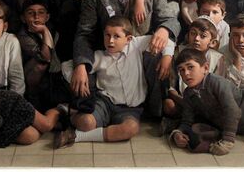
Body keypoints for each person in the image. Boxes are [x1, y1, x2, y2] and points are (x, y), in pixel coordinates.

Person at [71, 0, 181, 105]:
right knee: (83, 75)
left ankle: (157, 110)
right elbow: (84, 32)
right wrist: (81, 64)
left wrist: (164, 29)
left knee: (157, 52)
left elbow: (170, 18)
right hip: (112, 53)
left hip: (140, 50)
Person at [54, 16, 175, 148]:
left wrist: (167, 57)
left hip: (130, 109)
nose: (110, 41)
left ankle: (76, 136)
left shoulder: (136, 45)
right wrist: (80, 69)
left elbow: (167, 41)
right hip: (104, 103)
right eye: (107, 35)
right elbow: (66, 66)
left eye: (116, 36)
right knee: (86, 123)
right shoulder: (99, 57)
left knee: (131, 129)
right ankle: (68, 113)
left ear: (128, 39)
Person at [161, 16, 225, 135]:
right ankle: (191, 124)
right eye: (193, 33)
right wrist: (185, 102)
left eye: (203, 36)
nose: (196, 39)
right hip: (183, 101)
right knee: (168, 105)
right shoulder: (178, 52)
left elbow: (218, 89)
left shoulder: (217, 58)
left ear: (212, 42)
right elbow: (171, 88)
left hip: (206, 105)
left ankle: (183, 125)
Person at [16, 0, 72, 112]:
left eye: (41, 13)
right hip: (31, 72)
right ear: (23, 18)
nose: (36, 16)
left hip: (54, 71)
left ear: (47, 17)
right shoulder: (23, 35)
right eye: (31, 13)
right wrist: (44, 31)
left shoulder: (55, 29)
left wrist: (46, 31)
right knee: (40, 65)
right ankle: (32, 98)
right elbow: (45, 58)